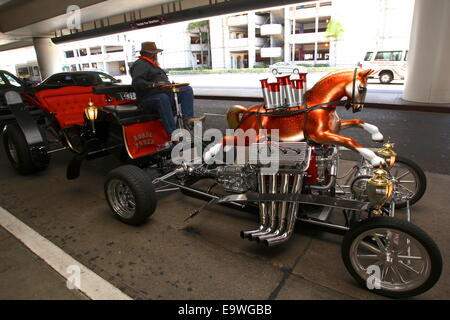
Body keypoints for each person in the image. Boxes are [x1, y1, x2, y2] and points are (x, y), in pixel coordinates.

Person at [130, 42, 205, 136]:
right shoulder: (140, 64)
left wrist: (170, 84)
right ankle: (173, 132)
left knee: (186, 89)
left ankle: (188, 119)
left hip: (162, 94)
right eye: (154, 53)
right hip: (147, 98)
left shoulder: (152, 65)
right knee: (162, 98)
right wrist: (154, 84)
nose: (156, 55)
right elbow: (137, 83)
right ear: (150, 54)